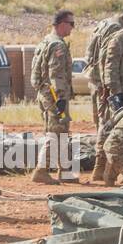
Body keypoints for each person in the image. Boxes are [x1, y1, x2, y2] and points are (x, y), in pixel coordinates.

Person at [86, 5, 123, 181]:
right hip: (104, 83)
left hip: (97, 80)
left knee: (103, 122)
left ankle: (102, 168)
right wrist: (108, 86)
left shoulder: (105, 23)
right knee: (108, 123)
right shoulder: (116, 28)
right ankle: (101, 168)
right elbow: (106, 58)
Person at [30, 10, 75, 184]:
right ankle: (41, 170)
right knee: (55, 133)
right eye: (71, 24)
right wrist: (61, 98)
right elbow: (56, 74)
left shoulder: (45, 42)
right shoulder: (58, 45)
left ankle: (64, 171)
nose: (72, 27)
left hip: (45, 94)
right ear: (62, 24)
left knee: (61, 131)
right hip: (55, 96)